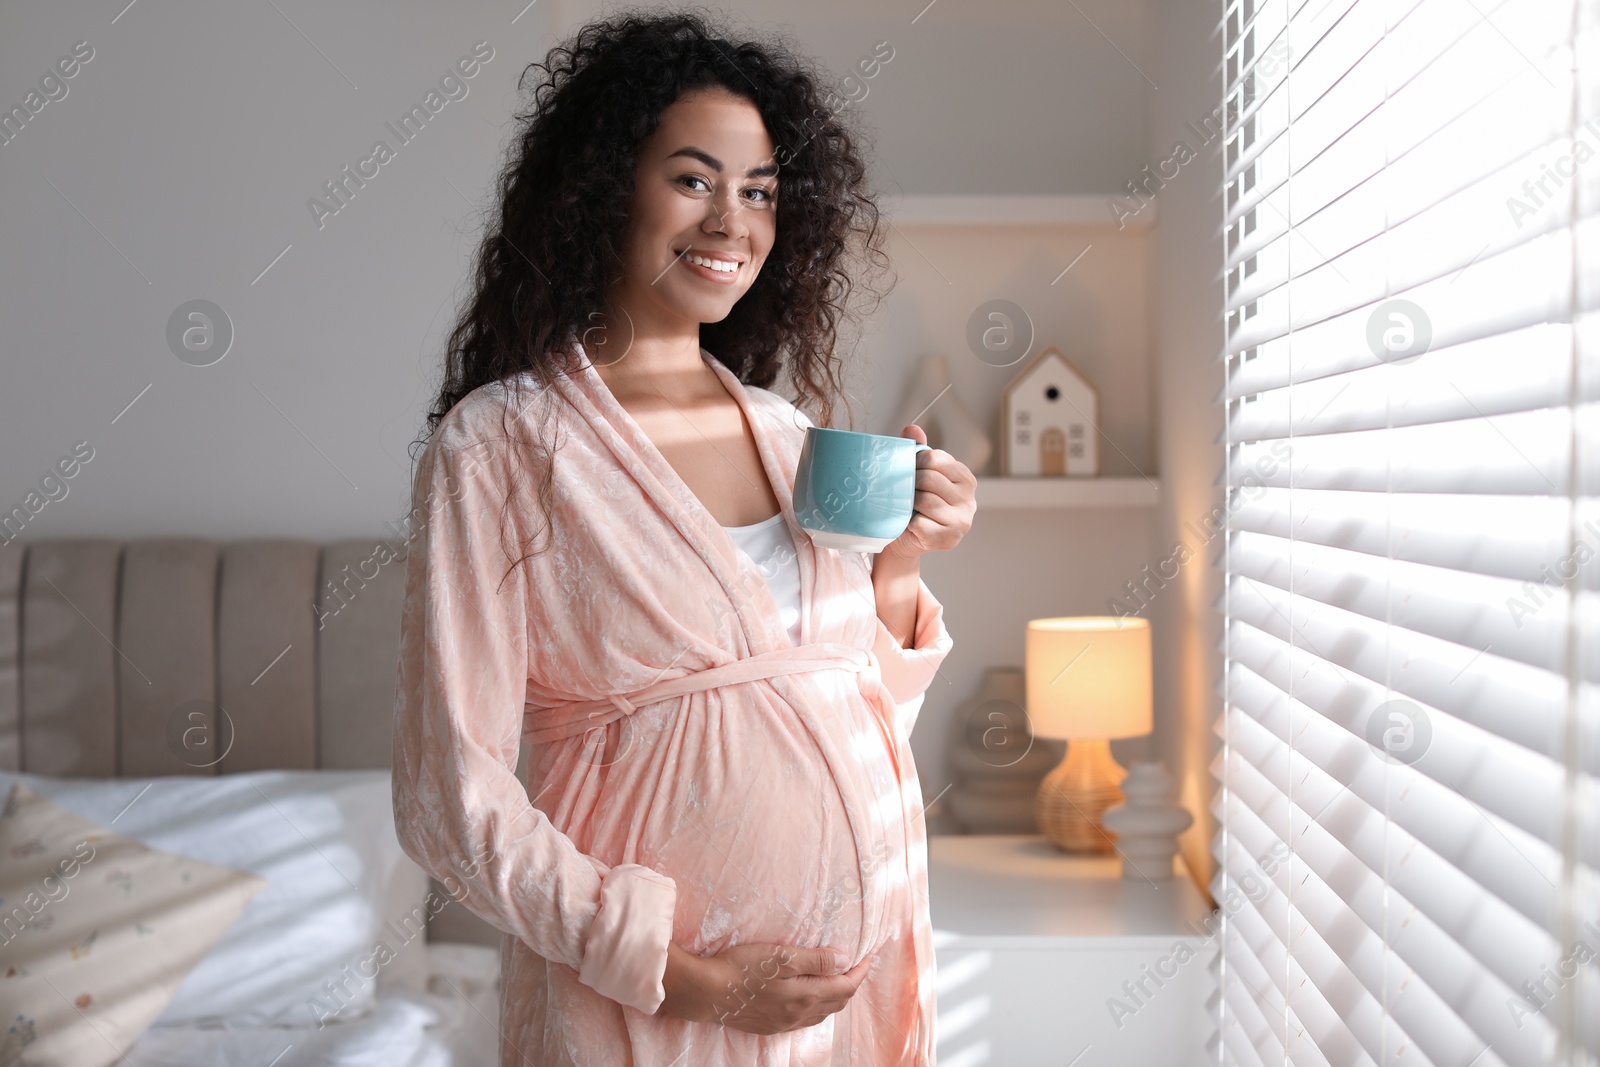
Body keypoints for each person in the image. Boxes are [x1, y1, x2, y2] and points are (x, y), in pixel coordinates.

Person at [391, 11, 976, 1065]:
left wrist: (902, 561)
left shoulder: (788, 434)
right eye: (694, 179)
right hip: (642, 1013)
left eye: (758, 191)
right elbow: (452, 792)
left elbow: (856, 708)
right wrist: (677, 968)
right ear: (603, 184)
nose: (732, 221)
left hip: (843, 1010)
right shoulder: (505, 445)